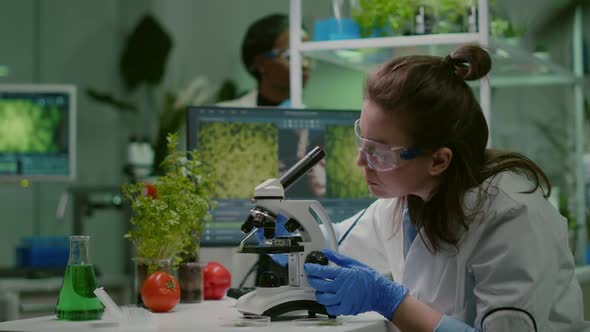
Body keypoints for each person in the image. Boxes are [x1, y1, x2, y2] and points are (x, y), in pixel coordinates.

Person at [301, 44, 590, 331]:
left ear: (439, 160)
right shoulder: (406, 201)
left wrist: (389, 301)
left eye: (379, 152)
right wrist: (290, 230)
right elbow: (332, 241)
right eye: (362, 140)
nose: (360, 161)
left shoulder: (512, 217)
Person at [217, 13, 312, 108]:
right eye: (290, 56)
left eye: (307, 55)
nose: (305, 64)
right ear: (261, 63)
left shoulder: (313, 119)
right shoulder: (221, 116)